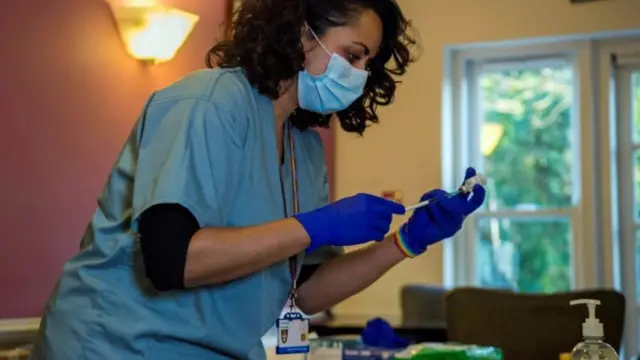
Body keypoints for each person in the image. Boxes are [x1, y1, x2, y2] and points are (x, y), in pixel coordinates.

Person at [30, 0, 485, 359]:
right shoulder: (207, 104)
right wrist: (314, 226)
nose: (360, 75)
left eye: (367, 64)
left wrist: (405, 241)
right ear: (301, 31)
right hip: (118, 346)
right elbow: (172, 261)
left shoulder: (303, 146)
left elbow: (304, 290)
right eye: (353, 55)